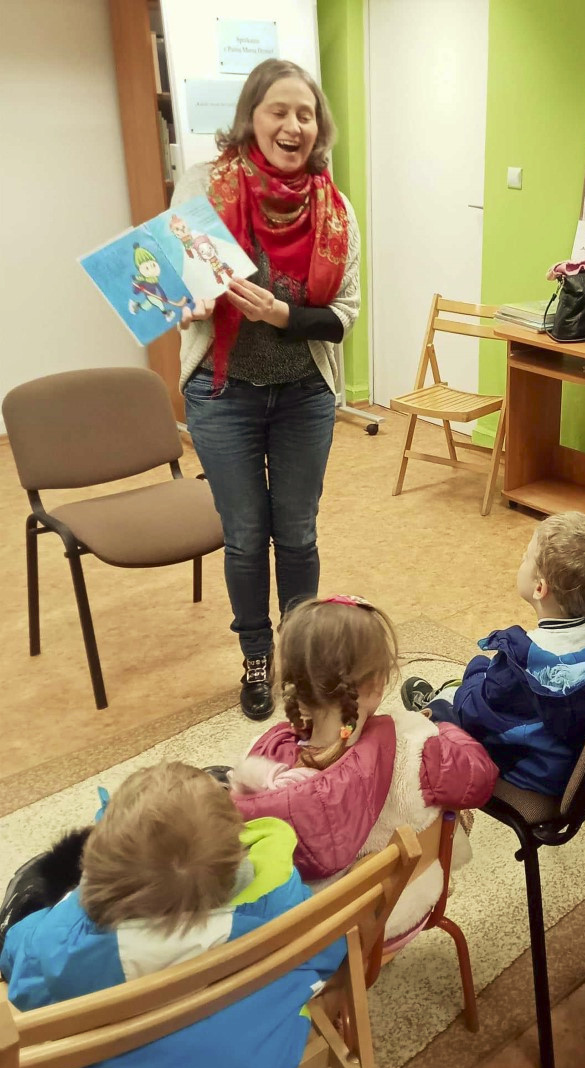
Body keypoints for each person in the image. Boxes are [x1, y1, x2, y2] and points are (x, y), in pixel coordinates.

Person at [174, 58, 361, 720]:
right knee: (247, 536)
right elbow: (175, 281)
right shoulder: (204, 186)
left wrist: (282, 316)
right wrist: (187, 302)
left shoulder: (335, 208)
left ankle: (301, 655)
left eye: (305, 113)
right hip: (222, 393)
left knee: (299, 534)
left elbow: (343, 316)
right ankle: (257, 656)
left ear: (319, 126)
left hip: (303, 394)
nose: (293, 124)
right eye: (278, 110)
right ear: (251, 117)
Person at [0, 762, 344, 1068]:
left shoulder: (66, 945)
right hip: (256, 1064)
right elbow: (331, 952)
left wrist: (74, 903)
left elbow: (22, 981)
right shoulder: (284, 898)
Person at [228, 595, 497, 941]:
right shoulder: (415, 745)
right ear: (376, 684)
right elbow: (480, 778)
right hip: (391, 915)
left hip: (308, 937)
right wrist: (443, 729)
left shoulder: (259, 763)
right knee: (450, 807)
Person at [402, 512, 585, 796]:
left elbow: (474, 714)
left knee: (451, 706)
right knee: (488, 687)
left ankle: (435, 703)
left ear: (540, 588)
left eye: (526, 556)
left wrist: (478, 669)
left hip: (542, 770)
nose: (521, 558)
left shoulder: (523, 665)